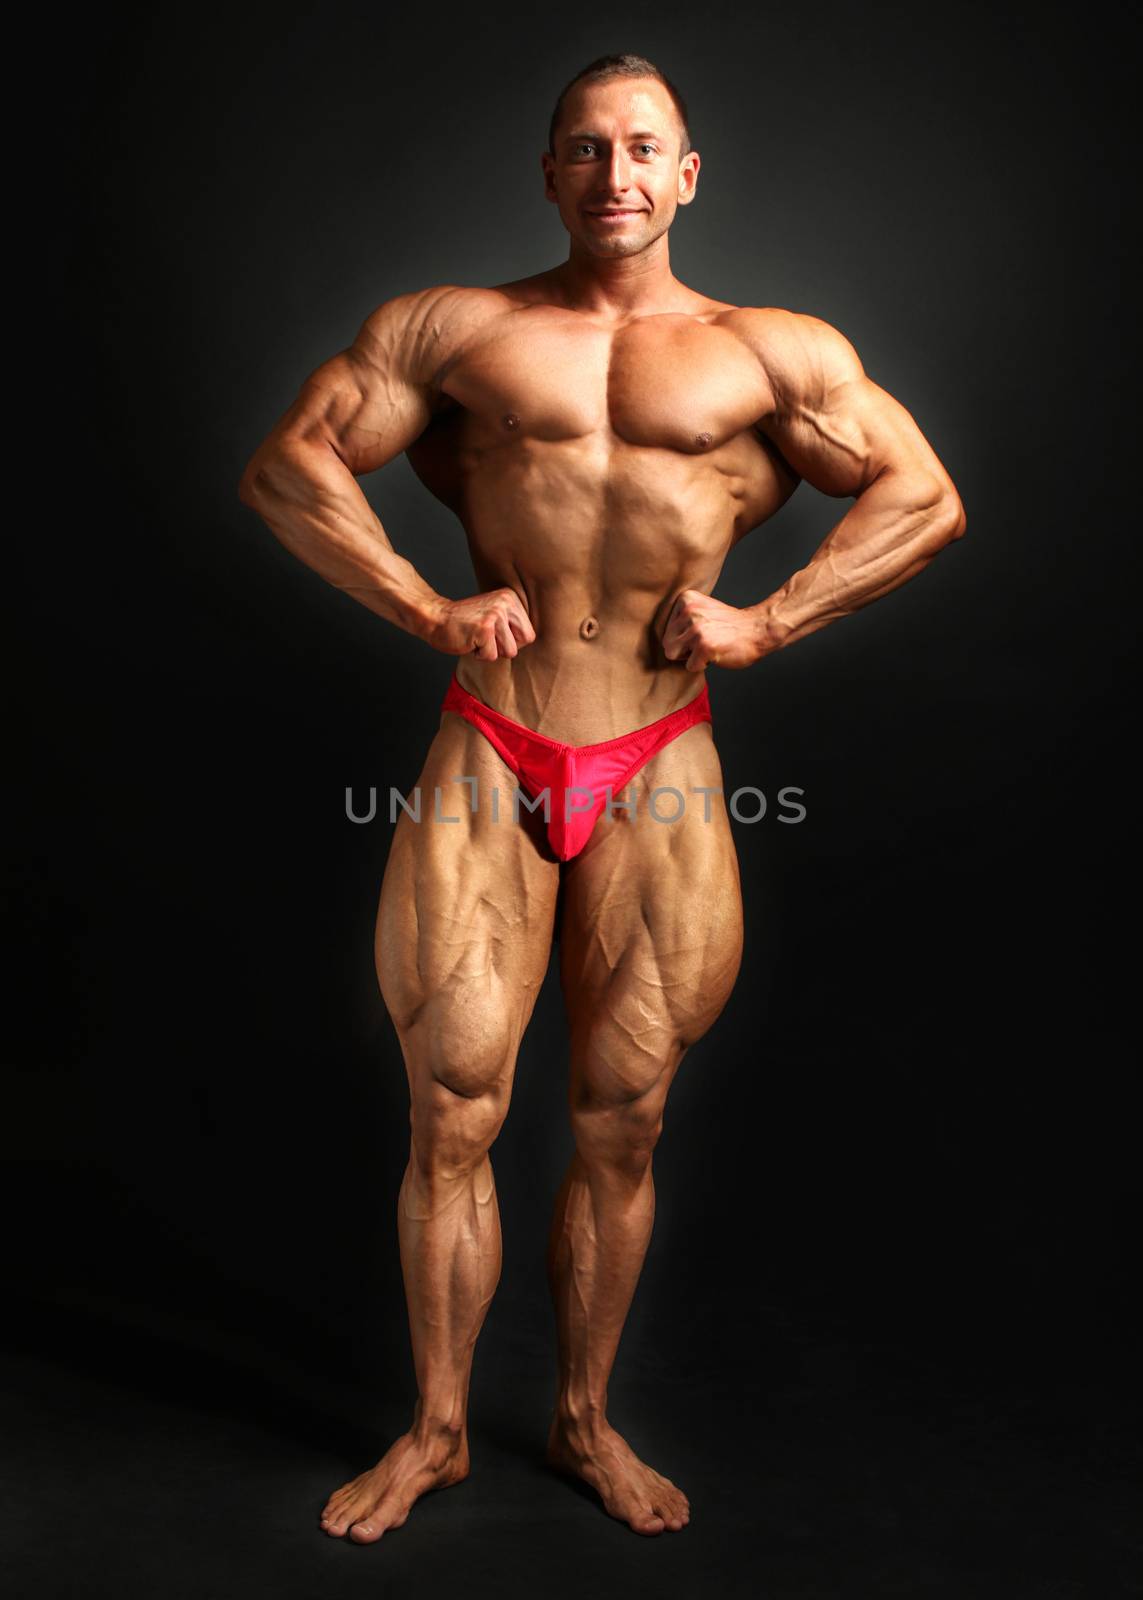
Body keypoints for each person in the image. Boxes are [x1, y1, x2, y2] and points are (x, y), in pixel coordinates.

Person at [238, 51, 966, 1542]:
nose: (615, 174)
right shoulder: (457, 331)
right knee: (452, 1108)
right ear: (549, 170)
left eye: (645, 149)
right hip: (488, 749)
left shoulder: (771, 354)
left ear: (688, 175)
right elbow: (289, 466)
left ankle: (580, 1419)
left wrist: (775, 622)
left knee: (622, 1118)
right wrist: (423, 606)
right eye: (586, 147)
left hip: (663, 760)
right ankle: (436, 1432)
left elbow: (924, 495)